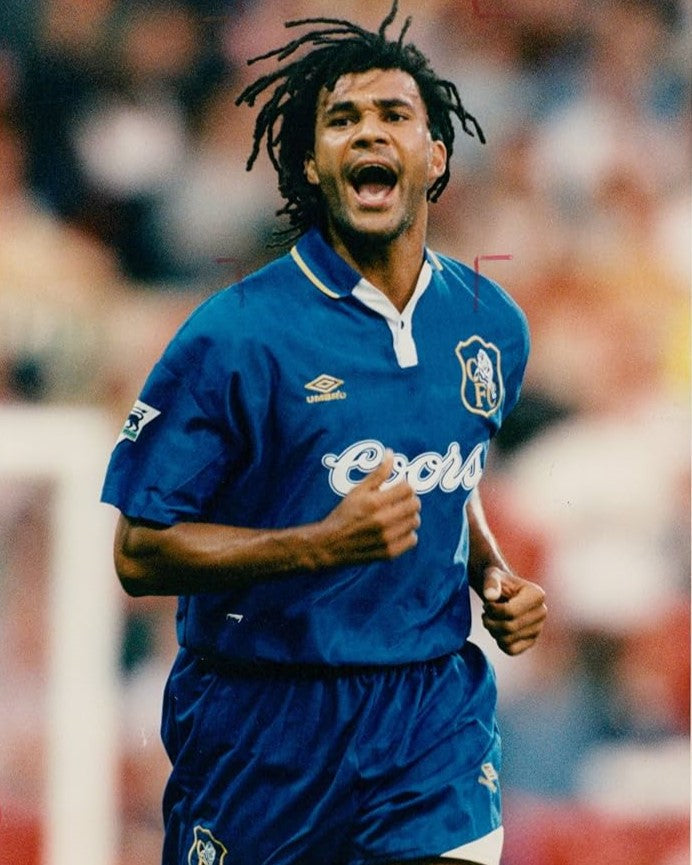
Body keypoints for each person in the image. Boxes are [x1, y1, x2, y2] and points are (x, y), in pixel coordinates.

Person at [101, 4, 547, 863]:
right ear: (312, 162)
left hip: (430, 718)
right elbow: (138, 553)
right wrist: (319, 545)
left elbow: (452, 473)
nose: (368, 131)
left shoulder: (491, 322)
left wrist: (492, 572)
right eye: (342, 119)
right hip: (262, 726)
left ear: (435, 155)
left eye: (393, 114)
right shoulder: (235, 334)